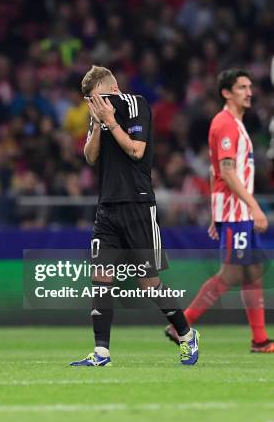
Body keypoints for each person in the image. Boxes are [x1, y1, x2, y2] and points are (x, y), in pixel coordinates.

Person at [71, 65, 199, 367]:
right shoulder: (97, 115)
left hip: (138, 204)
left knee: (148, 282)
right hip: (107, 207)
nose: (93, 104)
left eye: (95, 98)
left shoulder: (135, 104)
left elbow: (136, 151)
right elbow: (90, 157)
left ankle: (186, 334)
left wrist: (111, 121)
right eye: (89, 100)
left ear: (112, 90)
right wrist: (97, 121)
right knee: (100, 279)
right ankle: (101, 352)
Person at [165, 69, 274, 353]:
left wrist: (216, 211)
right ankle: (181, 325)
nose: (249, 92)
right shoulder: (225, 123)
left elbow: (215, 172)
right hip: (238, 213)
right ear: (226, 92)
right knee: (231, 275)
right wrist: (253, 207)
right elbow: (226, 171)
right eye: (242, 87)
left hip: (236, 212)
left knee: (253, 273)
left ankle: (260, 340)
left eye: (250, 86)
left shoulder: (235, 123)